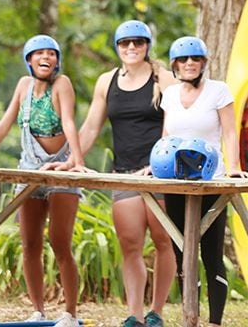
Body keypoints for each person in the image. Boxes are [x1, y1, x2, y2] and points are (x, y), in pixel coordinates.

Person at [0, 35, 84, 327]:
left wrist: (77, 162)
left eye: (51, 54)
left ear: (57, 60)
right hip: (28, 168)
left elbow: (69, 121)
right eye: (39, 53)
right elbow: (5, 124)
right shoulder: (23, 86)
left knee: (59, 241)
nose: (46, 58)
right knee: (29, 243)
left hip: (60, 169)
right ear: (29, 60)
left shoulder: (62, 84)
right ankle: (38, 311)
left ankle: (70, 313)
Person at [70, 20, 176, 327]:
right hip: (124, 173)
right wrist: (73, 159)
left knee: (162, 242)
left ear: (147, 46)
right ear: (117, 47)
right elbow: (91, 126)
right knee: (130, 245)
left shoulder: (163, 78)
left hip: (160, 174)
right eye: (125, 43)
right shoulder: (107, 81)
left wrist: (157, 166)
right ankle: (135, 315)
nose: (131, 48)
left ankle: (157, 312)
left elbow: (174, 126)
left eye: (138, 42)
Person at [160, 36, 248, 327]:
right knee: (182, 252)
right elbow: (166, 136)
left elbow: (230, 132)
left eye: (195, 59)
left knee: (211, 253)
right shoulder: (170, 95)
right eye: (183, 60)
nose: (189, 64)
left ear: (203, 63)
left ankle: (215, 322)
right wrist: (154, 166)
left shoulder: (218, 91)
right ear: (175, 65)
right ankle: (191, 318)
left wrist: (234, 168)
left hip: (210, 180)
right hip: (175, 181)